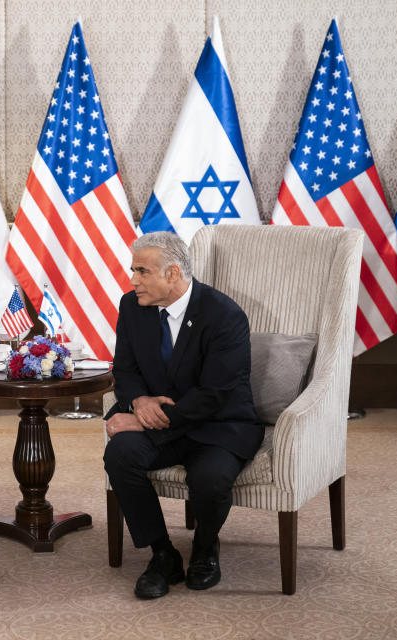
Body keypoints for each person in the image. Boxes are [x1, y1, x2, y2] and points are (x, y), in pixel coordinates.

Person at [103, 231, 263, 599]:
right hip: (162, 422)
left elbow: (216, 394)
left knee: (209, 479)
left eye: (142, 271)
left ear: (173, 273)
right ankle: (163, 554)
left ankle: (205, 548)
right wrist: (140, 402)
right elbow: (124, 370)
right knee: (120, 455)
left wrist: (145, 419)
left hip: (218, 425)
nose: (132, 280)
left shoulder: (224, 315)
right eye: (133, 270)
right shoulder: (132, 307)